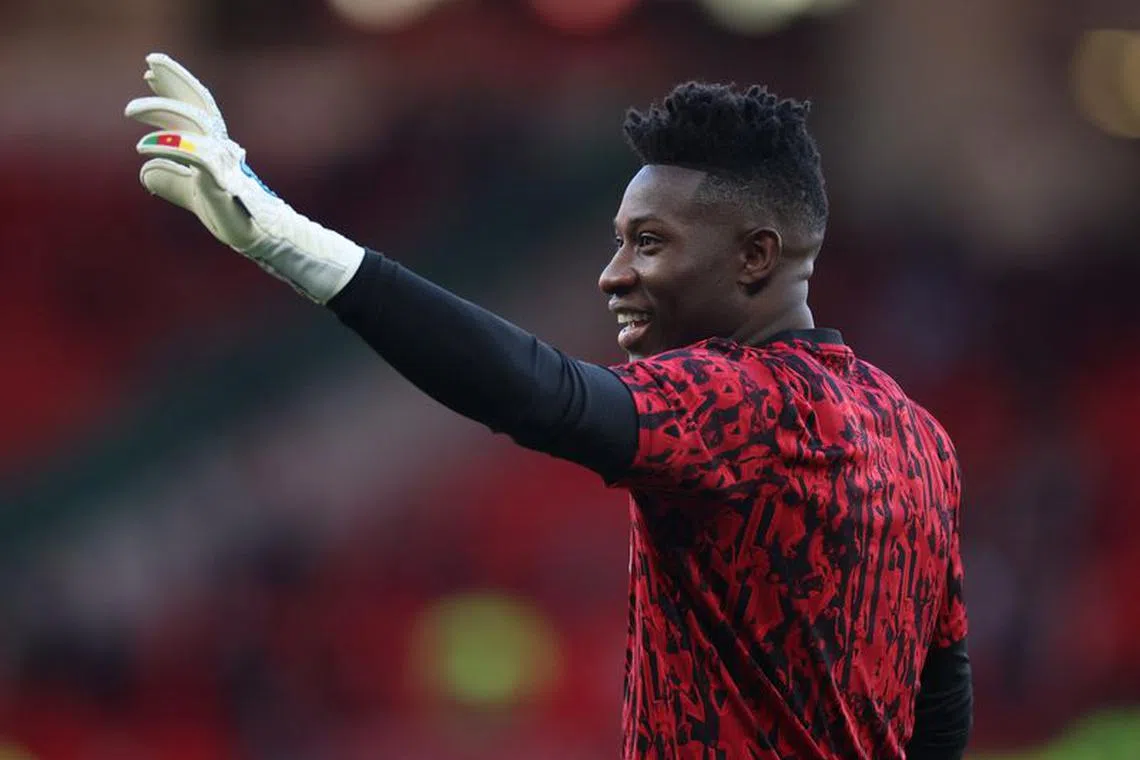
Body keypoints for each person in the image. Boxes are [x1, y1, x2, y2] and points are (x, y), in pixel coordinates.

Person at [125, 53, 972, 760]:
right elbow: (943, 704)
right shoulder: (920, 439)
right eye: (617, 241)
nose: (614, 275)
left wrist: (283, 235)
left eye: (648, 243)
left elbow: (544, 396)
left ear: (755, 257)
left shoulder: (743, 403)